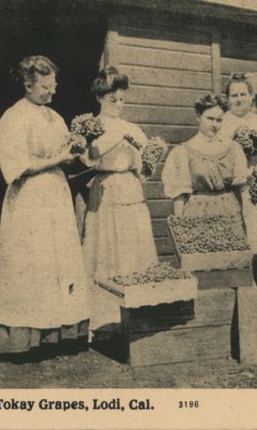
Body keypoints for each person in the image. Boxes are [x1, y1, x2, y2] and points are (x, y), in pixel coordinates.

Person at [0, 55, 89, 360]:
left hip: (56, 196)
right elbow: (16, 166)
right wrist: (58, 160)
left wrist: (80, 150)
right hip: (29, 199)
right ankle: (26, 339)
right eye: (46, 87)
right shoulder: (13, 117)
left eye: (54, 86)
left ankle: (57, 334)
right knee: (33, 263)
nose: (52, 92)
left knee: (59, 262)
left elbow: (66, 155)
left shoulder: (55, 117)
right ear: (28, 84)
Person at [80, 66, 158, 331]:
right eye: (113, 100)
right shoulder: (91, 126)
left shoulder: (133, 129)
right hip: (105, 187)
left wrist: (151, 158)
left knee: (132, 247)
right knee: (106, 247)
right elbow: (88, 159)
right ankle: (106, 321)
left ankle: (137, 317)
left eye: (122, 99)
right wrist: (114, 141)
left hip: (130, 187)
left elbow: (143, 172)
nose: (119, 104)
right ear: (100, 98)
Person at [219, 73, 257, 252]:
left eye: (243, 94)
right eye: (234, 95)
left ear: (251, 96)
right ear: (228, 99)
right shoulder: (221, 122)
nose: (239, 100)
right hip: (234, 184)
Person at [161, 93, 248, 218]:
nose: (215, 124)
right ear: (198, 116)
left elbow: (242, 187)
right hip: (198, 213)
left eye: (219, 120)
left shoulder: (233, 148)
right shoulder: (183, 152)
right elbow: (179, 195)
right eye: (210, 118)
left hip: (229, 213)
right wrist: (179, 224)